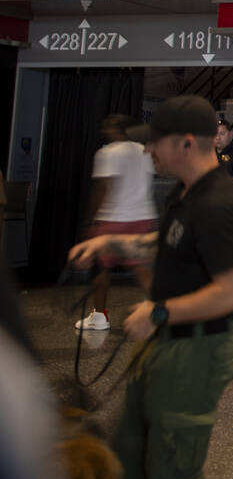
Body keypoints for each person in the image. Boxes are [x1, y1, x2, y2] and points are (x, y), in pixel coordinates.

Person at [68, 95, 233, 479]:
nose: (148, 150)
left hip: (196, 350)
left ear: (187, 143)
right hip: (165, 341)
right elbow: (167, 241)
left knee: (170, 464)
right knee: (131, 450)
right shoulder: (184, 191)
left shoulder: (221, 204)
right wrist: (113, 244)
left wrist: (160, 311)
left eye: (155, 141)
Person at [74, 114, 158, 332]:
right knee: (140, 267)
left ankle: (99, 316)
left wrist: (90, 219)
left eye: (109, 127)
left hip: (113, 218)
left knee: (102, 267)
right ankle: (161, 311)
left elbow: (103, 187)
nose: (105, 131)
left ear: (120, 130)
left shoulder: (107, 153)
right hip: (142, 216)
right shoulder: (144, 152)